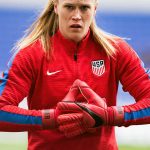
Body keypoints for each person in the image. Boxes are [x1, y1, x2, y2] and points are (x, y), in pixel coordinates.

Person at [0, 0, 150, 149]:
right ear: (56, 7)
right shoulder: (30, 55)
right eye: (69, 7)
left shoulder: (116, 51)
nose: (77, 15)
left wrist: (110, 116)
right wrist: (52, 118)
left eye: (84, 8)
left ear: (95, 9)